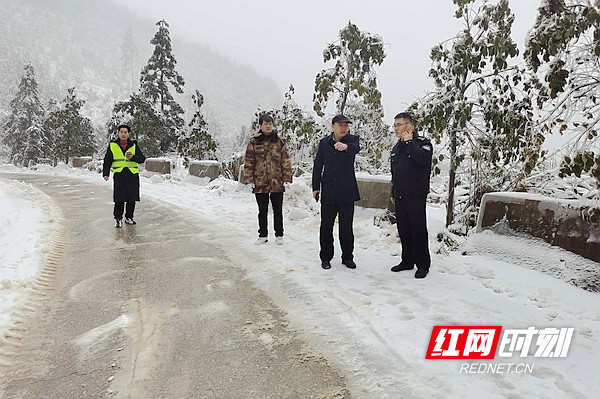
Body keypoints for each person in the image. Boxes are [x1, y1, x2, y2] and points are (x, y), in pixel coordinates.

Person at [312, 114, 360, 270]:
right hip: (329, 191)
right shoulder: (324, 143)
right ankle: (325, 257)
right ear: (333, 126)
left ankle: (347, 257)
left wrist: (346, 147)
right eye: (341, 125)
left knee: (346, 228)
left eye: (346, 125)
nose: (344, 128)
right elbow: (318, 165)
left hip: (346, 192)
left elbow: (356, 148)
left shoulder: (352, 140)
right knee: (326, 227)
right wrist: (316, 187)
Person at [389, 112, 433, 278]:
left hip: (416, 195)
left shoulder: (423, 143)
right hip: (400, 195)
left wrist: (409, 143)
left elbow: (422, 160)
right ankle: (407, 261)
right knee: (404, 229)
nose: (396, 129)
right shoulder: (396, 148)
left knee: (418, 230)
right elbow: (395, 173)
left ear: (410, 126)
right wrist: (393, 191)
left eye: (399, 125)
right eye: (395, 126)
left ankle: (423, 264)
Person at [243, 114, 293, 245]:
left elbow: (286, 160)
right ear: (260, 125)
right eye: (265, 124)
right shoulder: (254, 141)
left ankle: (279, 234)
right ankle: (263, 235)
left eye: (270, 123)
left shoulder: (279, 141)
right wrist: (249, 180)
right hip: (260, 181)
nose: (268, 126)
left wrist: (287, 178)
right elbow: (249, 161)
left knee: (278, 209)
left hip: (277, 180)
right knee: (262, 210)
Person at [103, 124, 146, 228]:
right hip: (119, 175)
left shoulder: (134, 145)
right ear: (118, 133)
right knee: (119, 198)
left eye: (125, 132)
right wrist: (106, 173)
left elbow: (142, 158)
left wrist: (133, 157)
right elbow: (107, 160)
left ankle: (129, 217)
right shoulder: (113, 145)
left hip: (132, 174)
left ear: (128, 134)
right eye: (121, 132)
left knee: (132, 197)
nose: (123, 134)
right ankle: (118, 218)